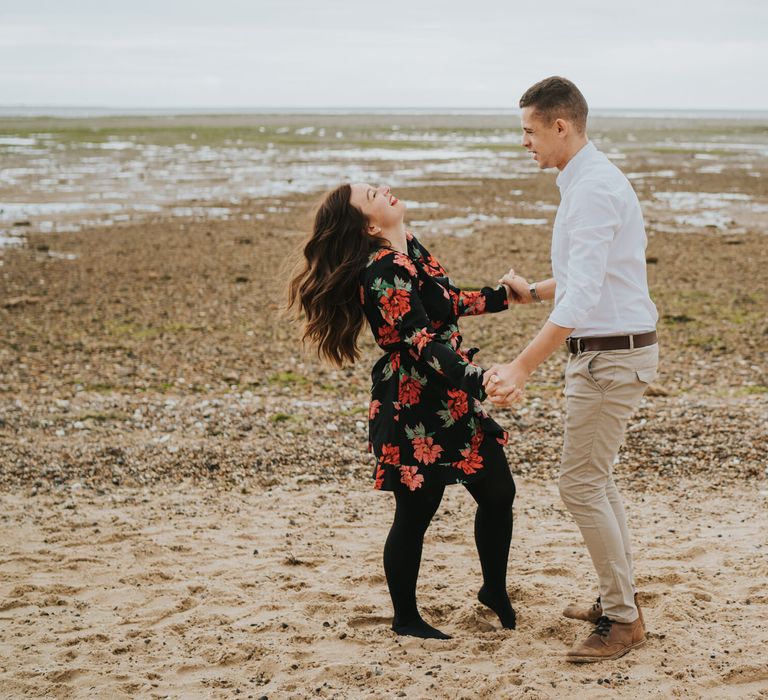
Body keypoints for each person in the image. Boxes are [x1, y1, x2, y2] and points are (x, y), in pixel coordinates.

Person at [288, 183, 520, 639]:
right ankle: (406, 618)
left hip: (450, 399)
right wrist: (478, 377)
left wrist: (503, 297)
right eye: (374, 194)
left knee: (498, 491)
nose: (386, 190)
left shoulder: (409, 248)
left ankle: (493, 589)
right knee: (416, 512)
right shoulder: (383, 267)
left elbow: (444, 301)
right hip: (413, 407)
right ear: (370, 226)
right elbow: (418, 340)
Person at [484, 76, 659, 663]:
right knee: (596, 479)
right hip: (607, 351)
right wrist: (532, 291)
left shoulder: (591, 190)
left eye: (530, 132)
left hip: (612, 356)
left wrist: (521, 366)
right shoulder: (586, 181)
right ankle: (619, 598)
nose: (525, 143)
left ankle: (623, 620)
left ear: (561, 126)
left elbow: (584, 298)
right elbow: (596, 278)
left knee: (580, 485)